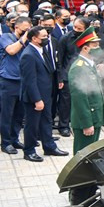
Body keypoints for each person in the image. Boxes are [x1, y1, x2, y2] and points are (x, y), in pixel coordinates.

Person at [20, 27, 69, 161]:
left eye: (47, 36)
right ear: (34, 39)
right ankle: (29, 150)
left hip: (47, 94)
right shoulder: (28, 55)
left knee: (46, 121)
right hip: (35, 98)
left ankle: (49, 146)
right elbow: (29, 81)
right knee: (32, 125)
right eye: (43, 37)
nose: (46, 39)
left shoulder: (42, 50)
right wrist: (37, 100)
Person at [68, 27, 104, 154]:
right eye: (95, 45)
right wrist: (86, 123)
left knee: (92, 152)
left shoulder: (90, 64)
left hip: (95, 117)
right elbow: (79, 98)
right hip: (87, 119)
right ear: (85, 48)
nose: (98, 47)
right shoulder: (79, 68)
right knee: (83, 155)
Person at [0, 16, 31, 154]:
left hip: (23, 81)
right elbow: (11, 51)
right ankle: (5, 143)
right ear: (17, 27)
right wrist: (24, 38)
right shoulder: (6, 37)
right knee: (7, 114)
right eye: (25, 28)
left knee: (20, 114)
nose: (28, 31)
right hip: (8, 81)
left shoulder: (29, 41)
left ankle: (14, 138)